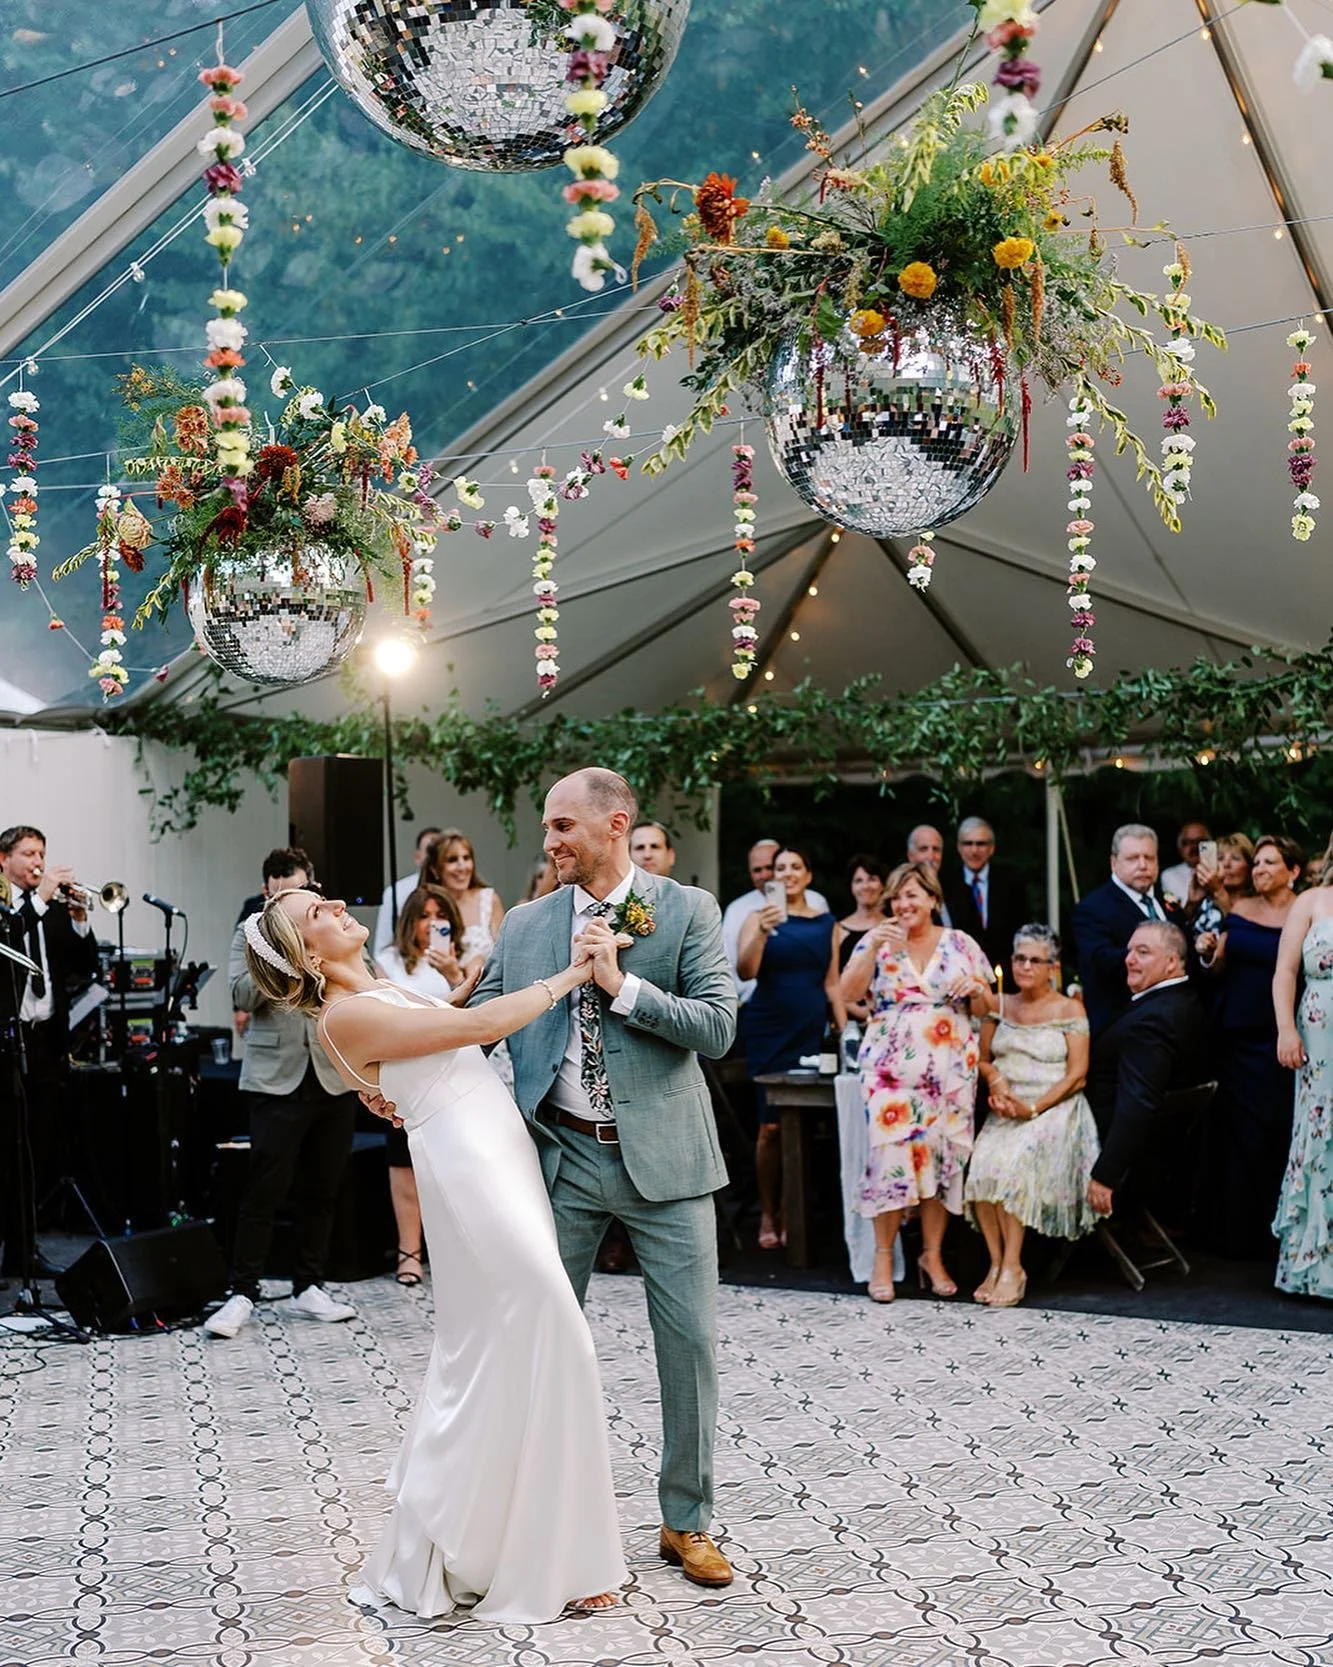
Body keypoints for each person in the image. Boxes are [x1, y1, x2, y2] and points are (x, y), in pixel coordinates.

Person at [242, 890, 626, 1621]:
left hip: (495, 1143)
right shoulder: (344, 1015)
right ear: (310, 954)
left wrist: (472, 975)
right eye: (313, 908)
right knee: (552, 1326)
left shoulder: (380, 988)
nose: (332, 900)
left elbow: (444, 1021)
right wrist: (574, 975)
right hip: (467, 1161)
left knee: (506, 1348)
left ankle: (519, 1546)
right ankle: (533, 1552)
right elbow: (475, 1027)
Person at [465, 766, 738, 1589]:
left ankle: (685, 1520)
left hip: (670, 1160)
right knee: (541, 1343)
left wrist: (625, 989)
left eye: (561, 827)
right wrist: (396, 1069)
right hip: (564, 1157)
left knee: (687, 1346)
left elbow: (719, 1027)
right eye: (547, 829)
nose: (548, 843)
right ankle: (543, 1521)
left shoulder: (687, 909)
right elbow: (475, 1020)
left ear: (614, 824)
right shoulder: (524, 923)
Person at [205, 862, 360, 1339]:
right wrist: (286, 953)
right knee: (263, 1189)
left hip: (333, 1073)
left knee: (324, 1187)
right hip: (275, 1077)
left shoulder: (335, 931)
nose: (292, 901)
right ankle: (242, 1290)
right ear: (267, 892)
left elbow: (357, 983)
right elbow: (240, 994)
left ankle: (309, 1284)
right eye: (282, 894)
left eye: (302, 892)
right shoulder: (250, 937)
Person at [839, 862, 993, 1303]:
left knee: (942, 1163)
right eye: (898, 896)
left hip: (949, 1074)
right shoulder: (877, 941)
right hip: (890, 1074)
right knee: (889, 1161)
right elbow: (847, 994)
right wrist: (869, 950)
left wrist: (977, 988)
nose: (905, 904)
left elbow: (989, 1005)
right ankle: (883, 1258)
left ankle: (932, 1255)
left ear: (933, 899)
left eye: (914, 895)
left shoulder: (960, 943)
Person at [965, 925, 1099, 1307]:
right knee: (982, 1165)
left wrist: (1035, 1107)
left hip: (1055, 1108)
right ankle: (994, 1263)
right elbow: (982, 1060)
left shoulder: (1069, 1008)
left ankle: (1013, 1267)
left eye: (1034, 960)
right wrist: (996, 1082)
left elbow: (1078, 1075)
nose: (1024, 966)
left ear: (1052, 968)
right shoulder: (998, 1005)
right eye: (1019, 958)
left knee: (1012, 1166)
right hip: (1007, 1106)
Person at [1194, 835, 1302, 1259]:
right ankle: (1238, 1234)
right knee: (1241, 1135)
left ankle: (1279, 1229)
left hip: (1284, 1036)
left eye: (1268, 863)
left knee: (1281, 1129)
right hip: (1238, 1035)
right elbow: (1221, 965)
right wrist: (1208, 954)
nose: (1257, 870)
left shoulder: (1306, 911)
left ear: (1292, 871)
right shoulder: (1238, 910)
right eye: (1255, 863)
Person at [0, 825, 97, 1274]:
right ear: (4, 860)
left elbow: (85, 966)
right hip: (8, 1042)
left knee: (40, 1147)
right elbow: (13, 942)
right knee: (10, 1148)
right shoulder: (7, 907)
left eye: (42, 852)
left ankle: (25, 1249)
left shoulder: (53, 909)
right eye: (28, 853)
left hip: (46, 1042)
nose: (38, 861)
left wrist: (80, 922)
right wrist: (41, 903)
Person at [736, 847, 839, 1249]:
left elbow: (832, 982)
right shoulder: (755, 917)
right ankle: (768, 1211)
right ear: (770, 878)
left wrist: (844, 1033)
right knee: (770, 1127)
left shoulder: (827, 922)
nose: (788, 873)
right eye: (781, 868)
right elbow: (746, 970)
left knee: (807, 1122)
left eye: (797, 866)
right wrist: (763, 930)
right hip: (769, 1027)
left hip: (811, 1029)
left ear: (809, 876)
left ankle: (798, 1211)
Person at [374, 885, 470, 1287]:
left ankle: (456, 1254)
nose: (432, 923)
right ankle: (409, 1252)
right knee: (405, 1166)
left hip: (454, 1075)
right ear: (409, 921)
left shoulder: (466, 960)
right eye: (424, 915)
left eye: (440, 915)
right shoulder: (387, 962)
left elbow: (477, 1013)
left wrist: (452, 972)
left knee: (456, 1169)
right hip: (407, 1076)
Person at [1084, 921, 1208, 1219]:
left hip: (1116, 1149)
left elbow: (1137, 1103)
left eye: (1142, 952)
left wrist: (1106, 1175)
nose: (1129, 959)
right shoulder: (1181, 999)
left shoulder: (1154, 1022)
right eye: (1129, 951)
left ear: (1171, 963)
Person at [1272, 837, 1333, 1299]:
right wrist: (1285, 1030)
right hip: (1317, 1035)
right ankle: (1313, 1266)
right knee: (1318, 1133)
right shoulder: (1311, 901)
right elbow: (1285, 972)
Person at [1070, 823, 1175, 1038]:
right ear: (1113, 862)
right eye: (1133, 858)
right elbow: (1100, 960)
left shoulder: (1168, 903)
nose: (1143, 865)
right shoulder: (1093, 909)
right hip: (1124, 1028)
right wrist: (1154, 956)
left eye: (1149, 858)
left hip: (1174, 1021)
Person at [721, 839, 828, 1004]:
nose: (764, 875)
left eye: (770, 868)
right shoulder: (737, 910)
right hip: (751, 1002)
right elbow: (729, 964)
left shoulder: (816, 903)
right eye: (757, 870)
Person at [234, 846, 315, 1039]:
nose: (290, 905)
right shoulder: (249, 932)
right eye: (280, 898)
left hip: (327, 1056)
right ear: (265, 892)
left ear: (312, 887)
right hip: (275, 1061)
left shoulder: (331, 924)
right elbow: (242, 997)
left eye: (298, 894)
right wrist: (275, 948)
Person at [942, 816, 1026, 977]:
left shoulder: (1011, 883)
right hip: (960, 976)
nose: (974, 850)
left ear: (991, 848)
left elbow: (1020, 931)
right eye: (968, 844)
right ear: (959, 847)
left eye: (981, 844)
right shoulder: (945, 885)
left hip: (1005, 976)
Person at [830, 854, 887, 1026]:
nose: (866, 886)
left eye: (872, 879)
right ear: (851, 887)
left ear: (883, 885)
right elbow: (832, 981)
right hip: (850, 1021)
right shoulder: (838, 930)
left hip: (889, 1016)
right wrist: (860, 1012)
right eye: (858, 881)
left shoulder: (894, 927)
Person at [373, 827, 442, 958]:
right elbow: (382, 946)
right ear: (417, 857)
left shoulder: (457, 891)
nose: (434, 857)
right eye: (429, 851)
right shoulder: (396, 892)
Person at [1190, 832, 1255, 951]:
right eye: (1220, 858)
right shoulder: (1207, 902)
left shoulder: (1258, 903)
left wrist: (1219, 892)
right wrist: (1192, 903)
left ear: (1250, 867)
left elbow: (1244, 940)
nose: (1226, 864)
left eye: (1235, 858)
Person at [1160, 820, 1211, 911]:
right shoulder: (1168, 876)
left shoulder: (1223, 871)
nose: (1194, 847)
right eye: (1187, 842)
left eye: (1199, 841)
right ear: (1179, 848)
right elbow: (1174, 912)